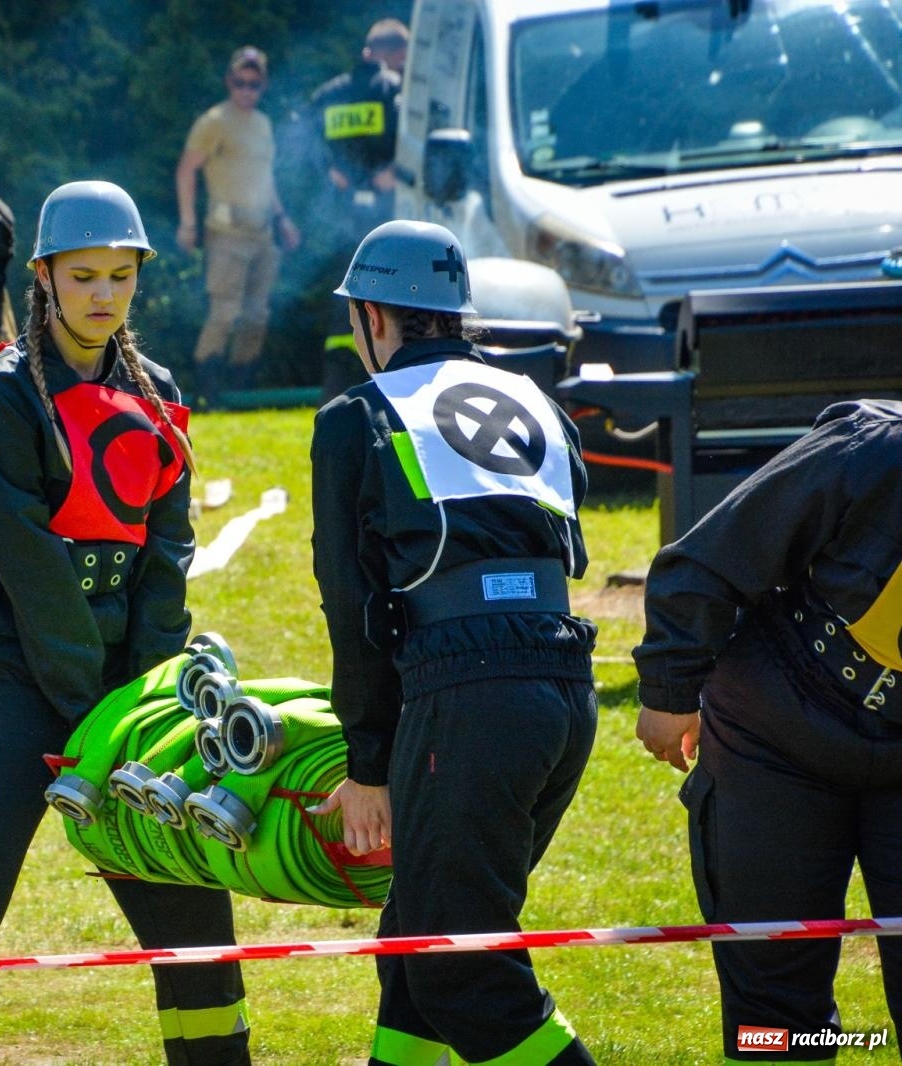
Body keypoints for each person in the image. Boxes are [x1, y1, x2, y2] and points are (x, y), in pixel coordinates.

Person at [0, 181, 252, 1065]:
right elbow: (32, 573)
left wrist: (146, 695)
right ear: (43, 276)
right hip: (3, 676)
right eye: (83, 277)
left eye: (121, 275)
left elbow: (167, 555)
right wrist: (94, 709)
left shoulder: (158, 393)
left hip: (122, 682)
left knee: (188, 903)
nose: (104, 295)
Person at [309, 220, 599, 1064]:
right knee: (417, 946)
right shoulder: (539, 402)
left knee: (455, 967)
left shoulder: (357, 416)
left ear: (371, 315)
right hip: (561, 689)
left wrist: (368, 767)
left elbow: (352, 605)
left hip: (470, 699)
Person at [633, 400, 902, 1058]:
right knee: (775, 1025)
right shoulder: (873, 446)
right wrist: (670, 689)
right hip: (775, 731)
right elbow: (706, 558)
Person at [175, 45, 300, 407]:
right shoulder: (214, 121)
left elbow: (266, 178)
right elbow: (186, 169)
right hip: (226, 233)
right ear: (229, 81)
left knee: (257, 315)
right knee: (224, 312)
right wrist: (187, 223)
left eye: (254, 84)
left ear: (263, 85)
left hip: (262, 233)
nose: (246, 90)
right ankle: (206, 395)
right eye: (240, 82)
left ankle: (238, 392)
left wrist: (283, 220)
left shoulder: (262, 124)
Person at [310, 19, 406, 403]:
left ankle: (337, 388)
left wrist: (331, 172)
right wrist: (393, 171)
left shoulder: (331, 93)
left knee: (343, 300)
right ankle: (385, 378)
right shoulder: (395, 90)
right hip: (385, 214)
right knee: (386, 294)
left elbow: (302, 138)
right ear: (396, 54)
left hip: (339, 216)